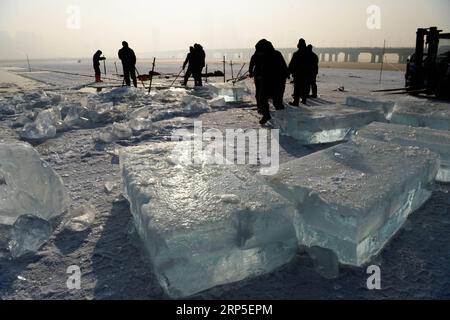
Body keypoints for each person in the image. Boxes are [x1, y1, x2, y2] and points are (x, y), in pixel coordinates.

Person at [259, 40, 289, 125]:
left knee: (277, 102)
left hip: (277, 82)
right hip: (267, 82)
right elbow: (261, 68)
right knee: (263, 99)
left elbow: (283, 66)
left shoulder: (276, 54)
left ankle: (282, 119)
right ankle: (266, 115)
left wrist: (285, 74)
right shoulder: (265, 55)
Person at [288, 38, 309, 105]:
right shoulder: (308, 54)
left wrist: (288, 72)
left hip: (297, 73)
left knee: (297, 88)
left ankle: (296, 102)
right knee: (304, 87)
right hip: (306, 73)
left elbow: (291, 64)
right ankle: (304, 100)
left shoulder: (296, 54)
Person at [249, 41, 266, 113]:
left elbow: (251, 65)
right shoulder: (266, 54)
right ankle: (262, 107)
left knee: (258, 91)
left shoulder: (254, 55)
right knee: (263, 92)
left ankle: (260, 107)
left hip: (258, 75)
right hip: (264, 75)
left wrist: (251, 72)